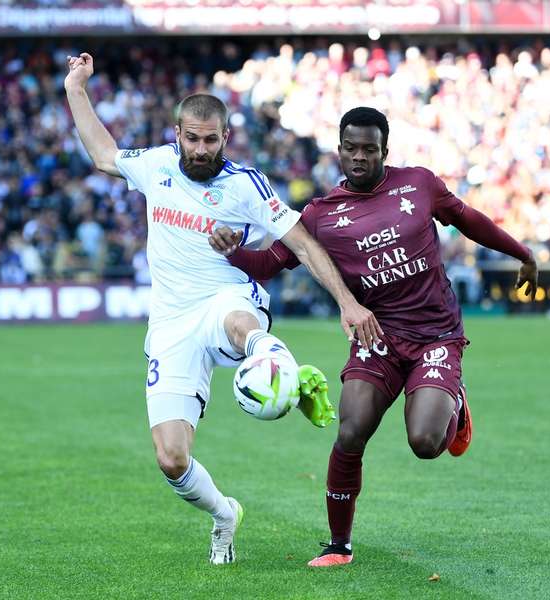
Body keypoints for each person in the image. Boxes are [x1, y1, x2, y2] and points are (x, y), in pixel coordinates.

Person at [63, 53, 381, 565]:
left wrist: (346, 303)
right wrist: (76, 87)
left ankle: (281, 368)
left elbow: (302, 243)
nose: (202, 149)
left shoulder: (244, 186)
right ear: (178, 134)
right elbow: (102, 153)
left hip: (225, 299)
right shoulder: (156, 165)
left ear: (226, 139)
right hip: (171, 320)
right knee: (171, 459)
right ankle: (224, 515)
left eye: (212, 140)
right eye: (193, 139)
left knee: (239, 323)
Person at [209, 107, 538, 567]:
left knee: (425, 442)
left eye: (369, 149)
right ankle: (339, 546)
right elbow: (270, 265)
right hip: (376, 335)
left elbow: (467, 218)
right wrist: (233, 252)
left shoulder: (419, 184)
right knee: (351, 430)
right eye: (351, 148)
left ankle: (453, 402)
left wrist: (521, 253)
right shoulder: (320, 215)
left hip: (435, 334)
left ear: (385, 150)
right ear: (339, 149)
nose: (359, 157)